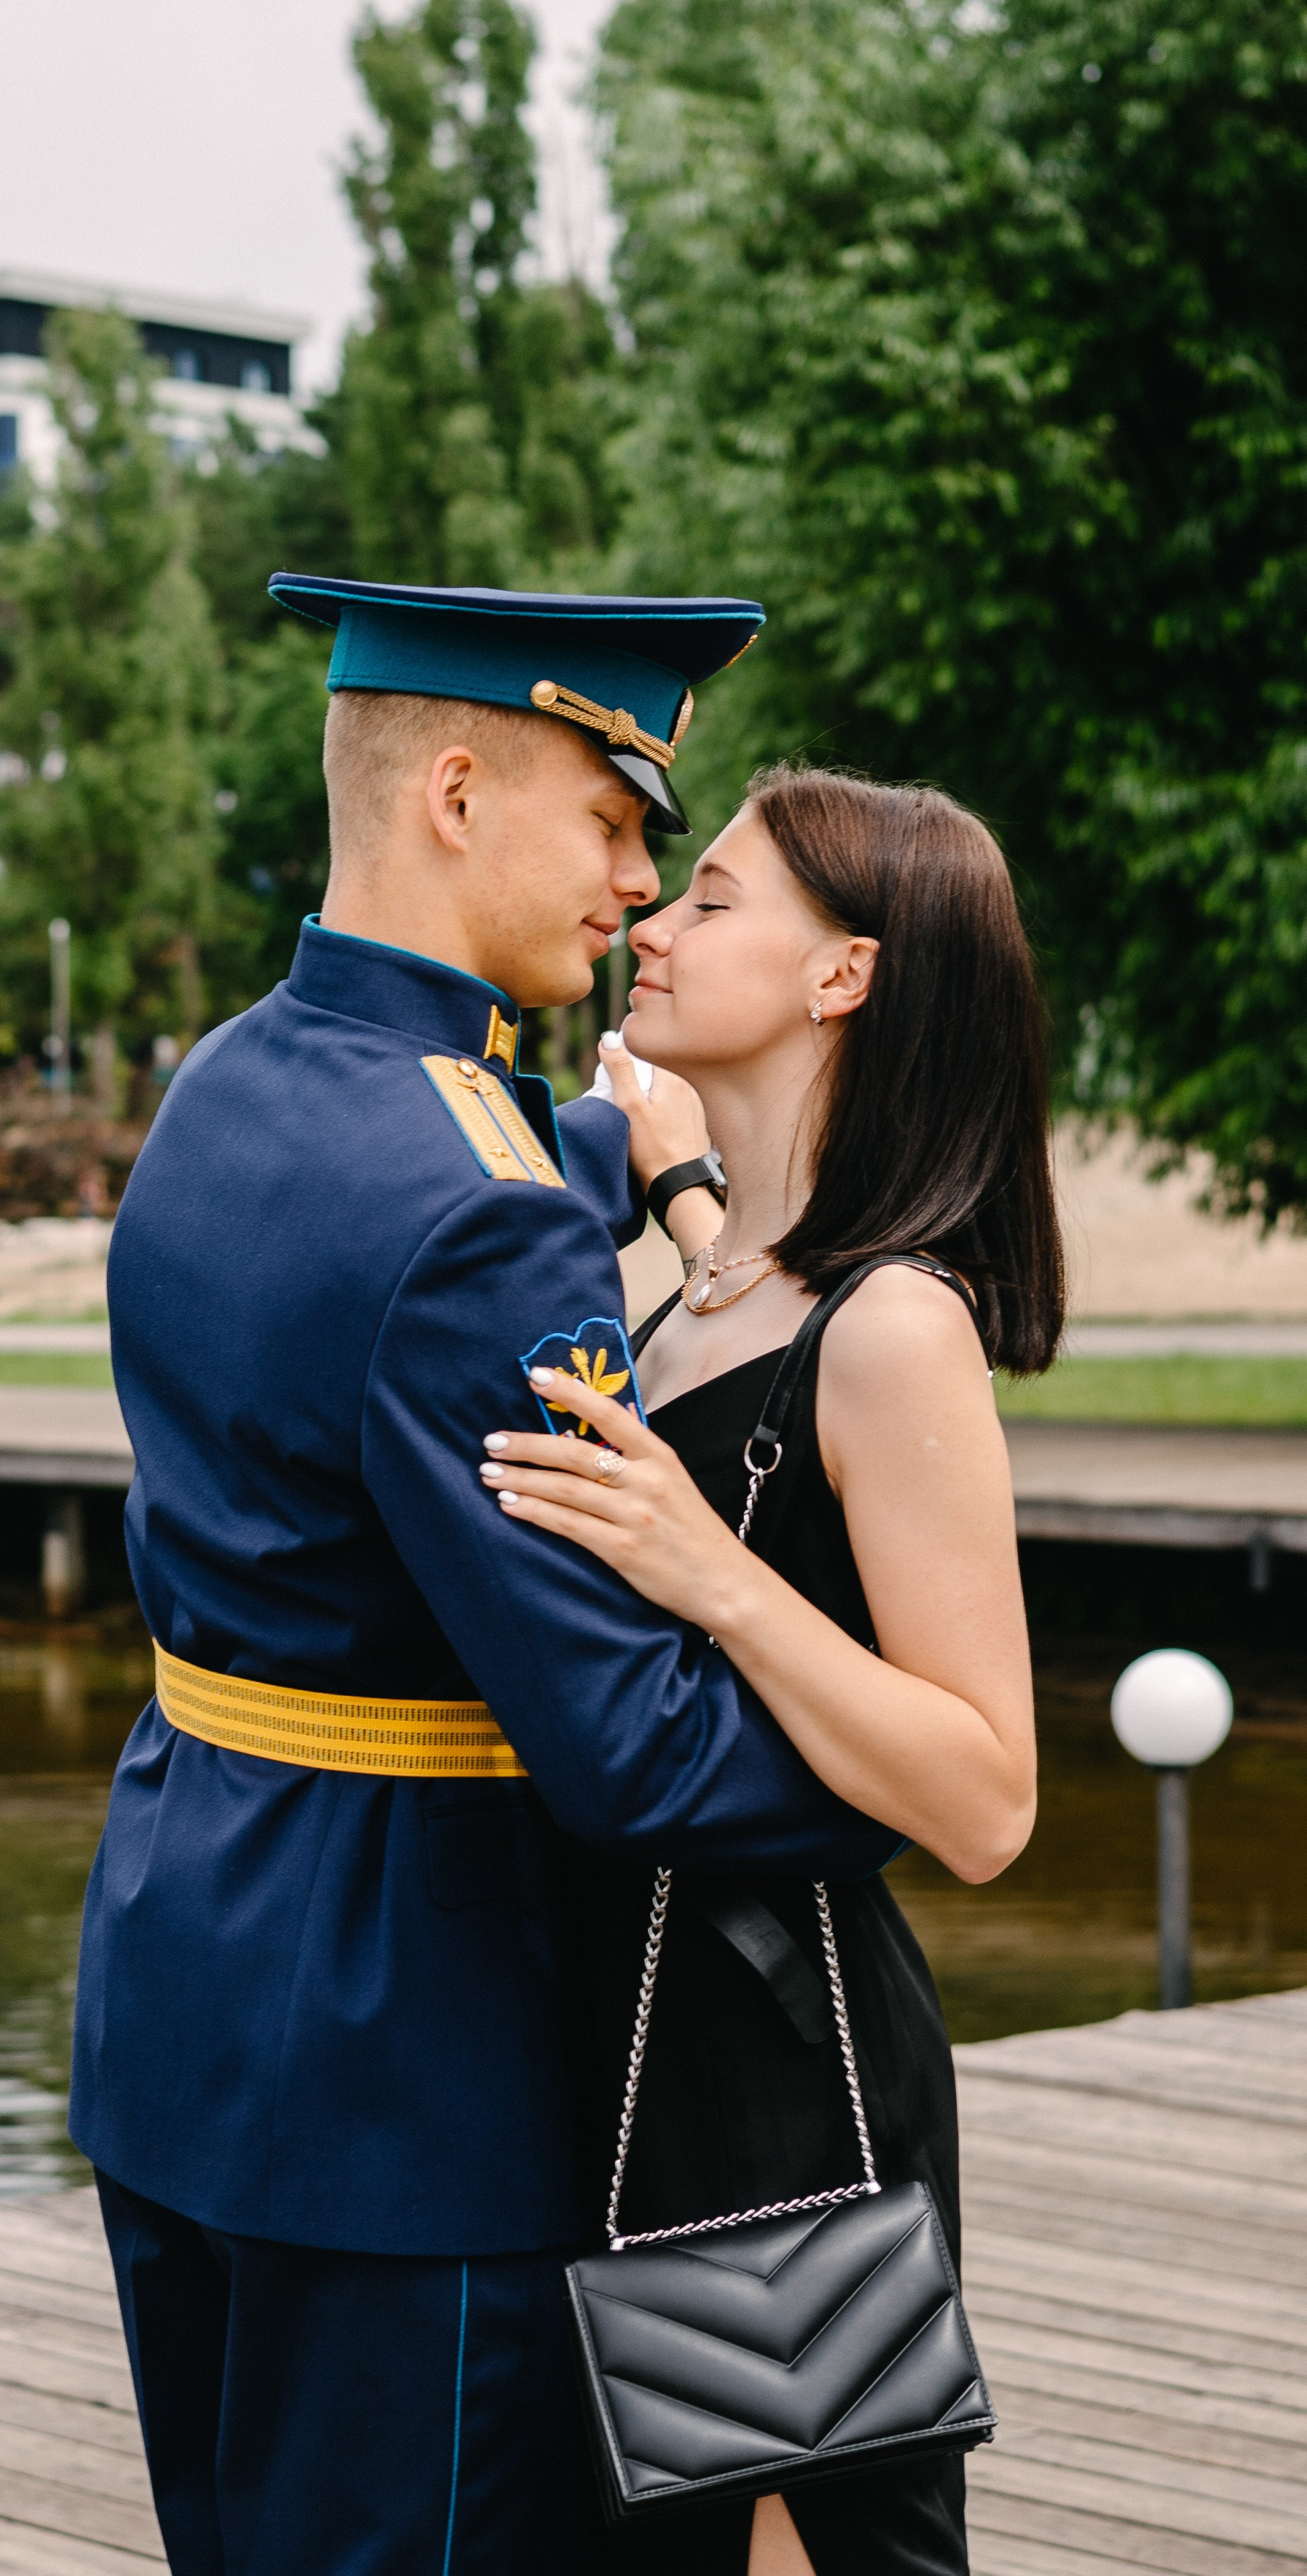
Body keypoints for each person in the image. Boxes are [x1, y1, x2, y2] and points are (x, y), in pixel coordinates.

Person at [69, 579, 903, 2576]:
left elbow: (376, 1245)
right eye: (615, 826)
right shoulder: (477, 1210)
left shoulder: (225, 1086)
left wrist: (615, 1159)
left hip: (188, 1981)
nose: (635, 885)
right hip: (404, 2070)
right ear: (457, 792)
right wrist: (919, 1773)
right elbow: (627, 1754)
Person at [474, 764, 1065, 2575]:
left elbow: (985, 1796)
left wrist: (701, 1574)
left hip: (773, 2080)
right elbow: (731, 1283)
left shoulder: (894, 1327)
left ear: (843, 980)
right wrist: (673, 1179)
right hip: (632, 2029)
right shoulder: (711, 1280)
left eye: (714, 898)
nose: (654, 919)